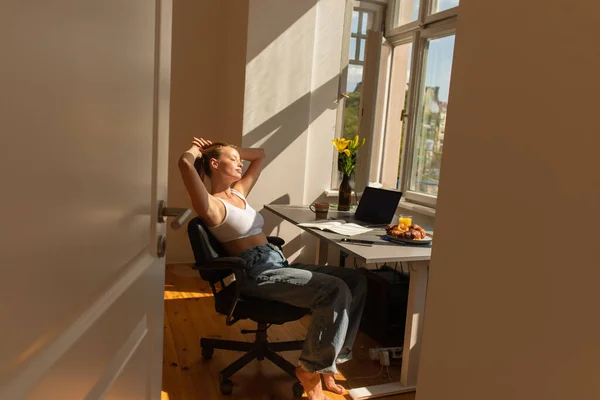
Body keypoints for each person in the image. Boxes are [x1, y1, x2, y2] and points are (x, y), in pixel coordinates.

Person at [178, 137, 367, 399]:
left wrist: (231, 151)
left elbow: (260, 154)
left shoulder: (237, 193)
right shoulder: (210, 205)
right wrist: (195, 150)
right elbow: (185, 166)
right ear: (213, 163)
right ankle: (311, 370)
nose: (240, 163)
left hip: (277, 261)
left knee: (356, 280)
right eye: (232, 160)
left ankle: (329, 363)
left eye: (238, 158)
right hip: (256, 272)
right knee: (334, 290)